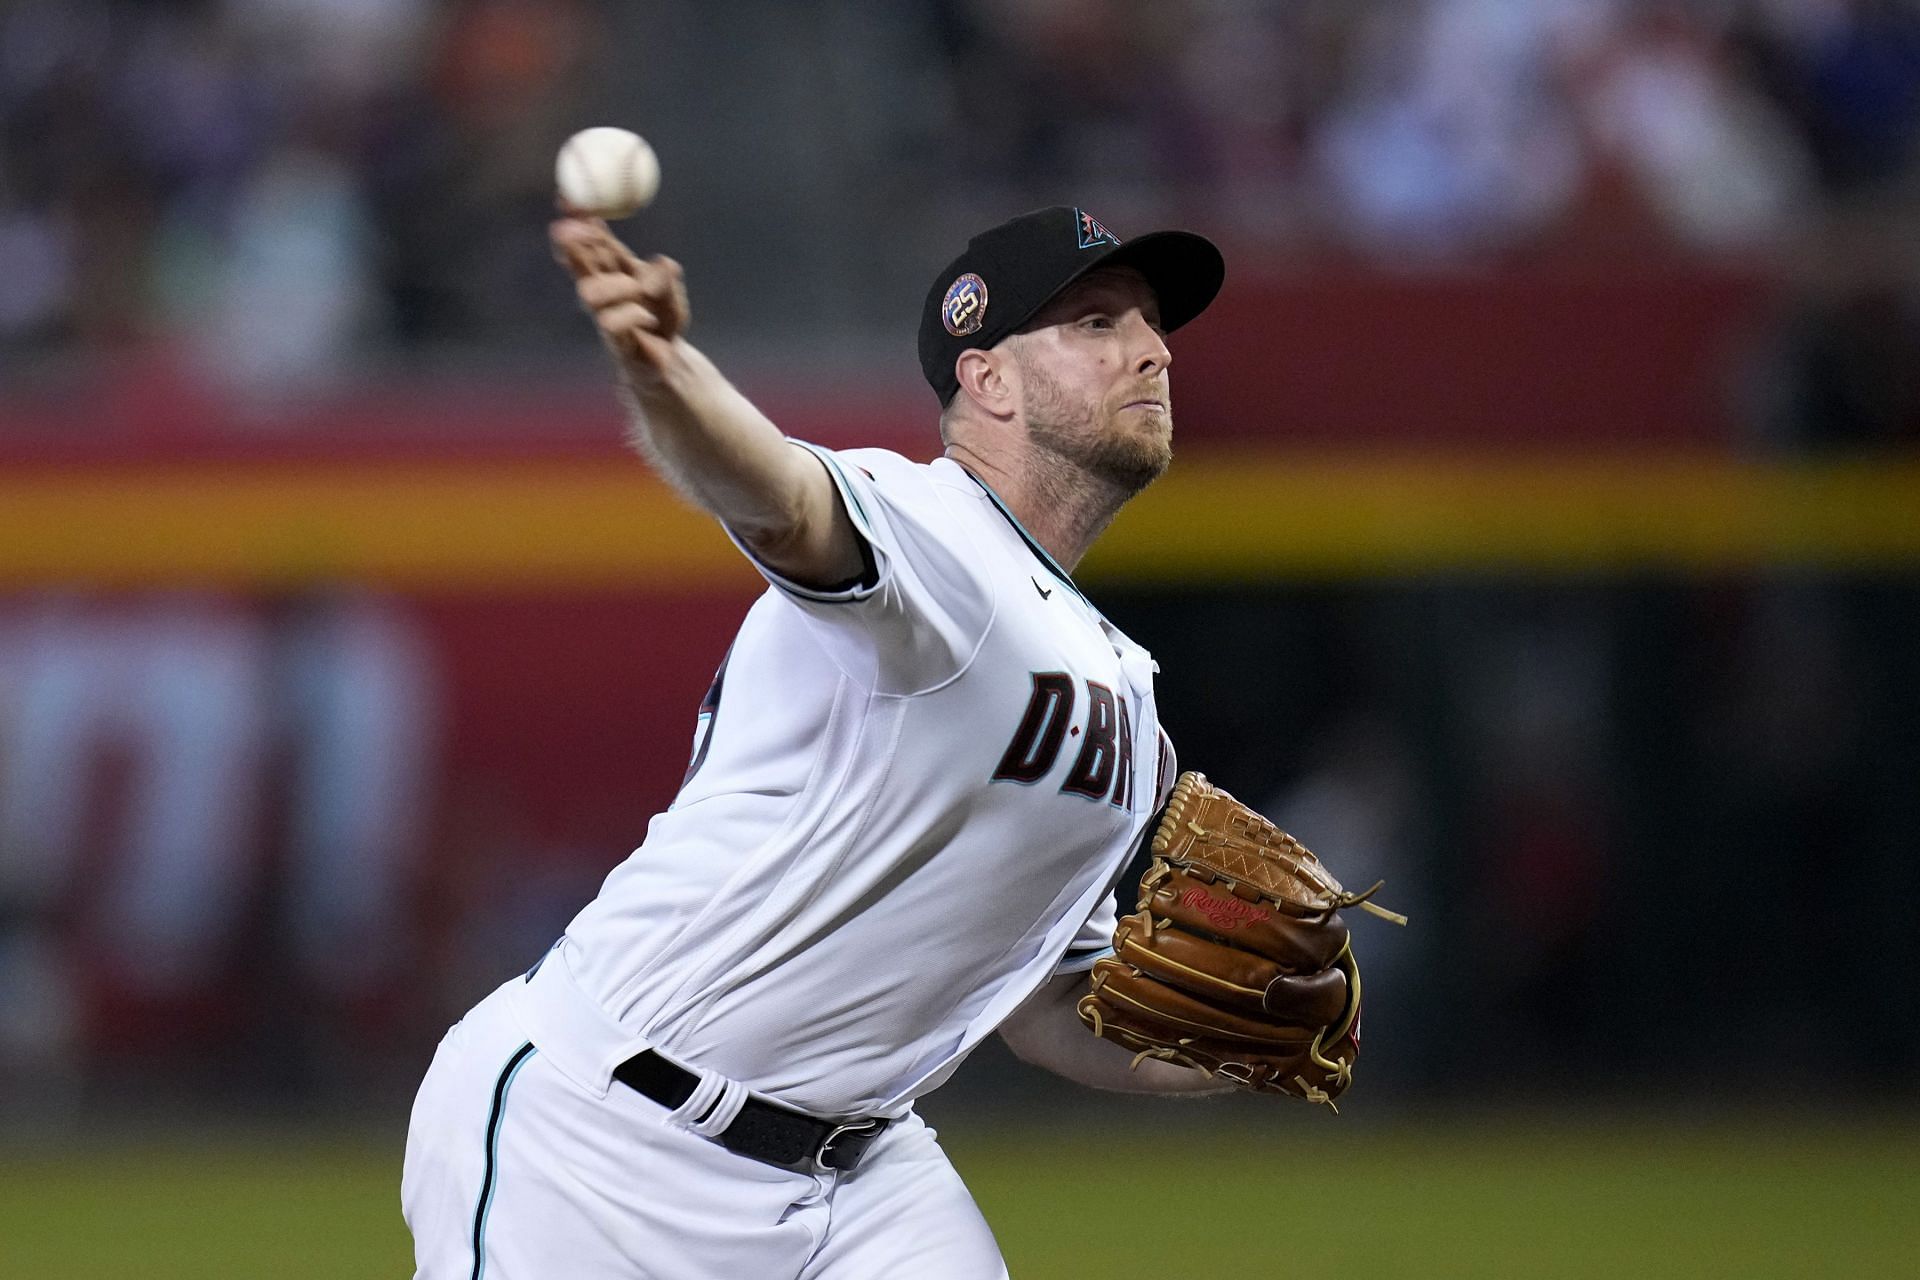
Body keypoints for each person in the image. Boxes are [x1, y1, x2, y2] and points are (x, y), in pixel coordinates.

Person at [402, 204, 1229, 1278]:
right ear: (990, 381)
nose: (1152, 350)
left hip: (866, 1171)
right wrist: (663, 371)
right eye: (1098, 323)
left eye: (1152, 326)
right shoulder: (935, 531)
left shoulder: (1129, 701)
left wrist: (1231, 1040)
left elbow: (1050, 1002)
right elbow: (777, 497)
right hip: (604, 1134)